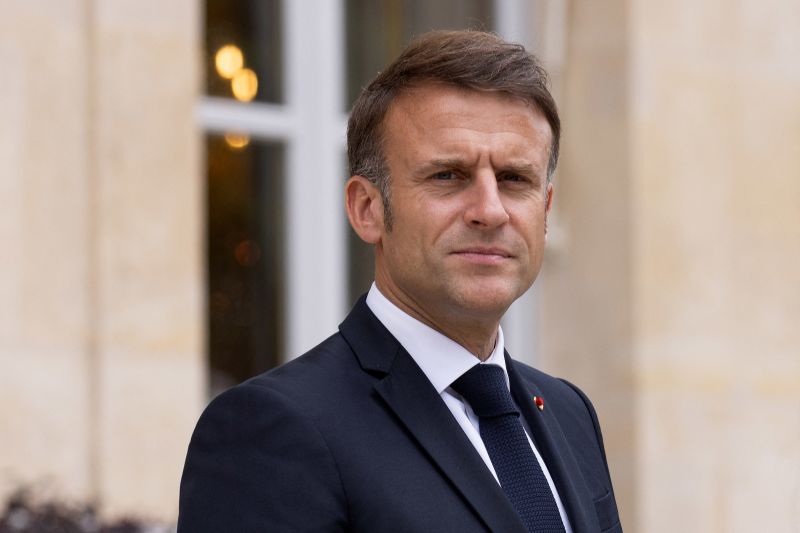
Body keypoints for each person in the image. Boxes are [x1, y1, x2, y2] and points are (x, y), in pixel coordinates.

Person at [178, 30, 621, 533]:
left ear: (544, 211)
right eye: (448, 176)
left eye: (514, 179)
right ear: (367, 209)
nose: (489, 210)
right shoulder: (272, 429)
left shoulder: (570, 414)